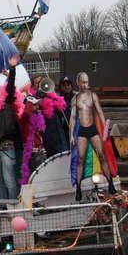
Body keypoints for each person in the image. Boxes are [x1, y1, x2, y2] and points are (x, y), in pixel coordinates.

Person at [69, 72, 117, 201]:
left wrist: (105, 129)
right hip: (82, 131)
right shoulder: (75, 98)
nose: (85, 84)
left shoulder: (92, 96)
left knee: (102, 155)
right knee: (80, 159)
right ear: (78, 82)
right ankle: (78, 188)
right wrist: (71, 135)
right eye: (82, 82)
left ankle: (110, 184)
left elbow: (100, 112)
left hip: (92, 129)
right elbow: (73, 117)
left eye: (86, 82)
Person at [0, 55, 24, 200]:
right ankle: (2, 208)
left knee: (9, 180)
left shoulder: (6, 104)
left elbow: (11, 86)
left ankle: (12, 206)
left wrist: (12, 69)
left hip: (7, 147)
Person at [40, 90, 69, 157]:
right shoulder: (39, 104)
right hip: (50, 144)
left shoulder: (57, 108)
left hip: (60, 143)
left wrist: (55, 99)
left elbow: (65, 124)